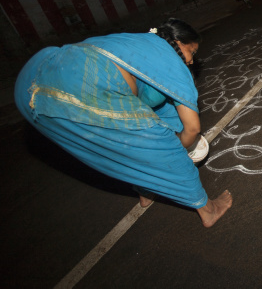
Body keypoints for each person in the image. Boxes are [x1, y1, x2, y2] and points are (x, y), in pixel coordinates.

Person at [14, 19, 233, 228]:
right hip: (79, 84)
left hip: (32, 85)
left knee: (123, 145)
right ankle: (208, 210)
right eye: (191, 52)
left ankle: (145, 189)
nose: (192, 61)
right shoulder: (171, 60)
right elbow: (192, 128)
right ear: (177, 43)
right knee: (163, 145)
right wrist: (178, 148)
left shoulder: (137, 43)